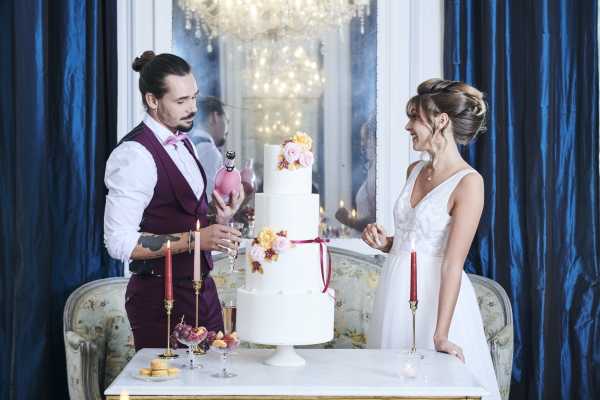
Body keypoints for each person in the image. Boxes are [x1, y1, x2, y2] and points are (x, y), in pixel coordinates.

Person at [362, 79, 500, 400]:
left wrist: (441, 336)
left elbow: (452, 264)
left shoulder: (469, 183)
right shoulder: (413, 170)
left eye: (414, 118)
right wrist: (387, 244)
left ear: (441, 121)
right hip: (396, 289)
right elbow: (415, 241)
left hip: (436, 299)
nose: (407, 126)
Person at [104, 51, 244, 351]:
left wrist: (219, 218)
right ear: (152, 100)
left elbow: (182, 215)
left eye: (194, 97)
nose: (193, 108)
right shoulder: (134, 155)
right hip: (159, 299)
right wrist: (196, 239)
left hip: (202, 291)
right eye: (181, 102)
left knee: (215, 390)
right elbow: (118, 242)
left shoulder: (185, 143)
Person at [335, 114, 376, 232]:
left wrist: (349, 221)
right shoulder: (371, 170)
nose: (363, 144)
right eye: (362, 140)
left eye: (366, 139)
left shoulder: (377, 176)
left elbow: (375, 220)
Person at [189, 96, 229, 198]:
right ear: (214, 117)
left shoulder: (187, 144)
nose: (227, 129)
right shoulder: (209, 151)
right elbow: (210, 201)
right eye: (227, 121)